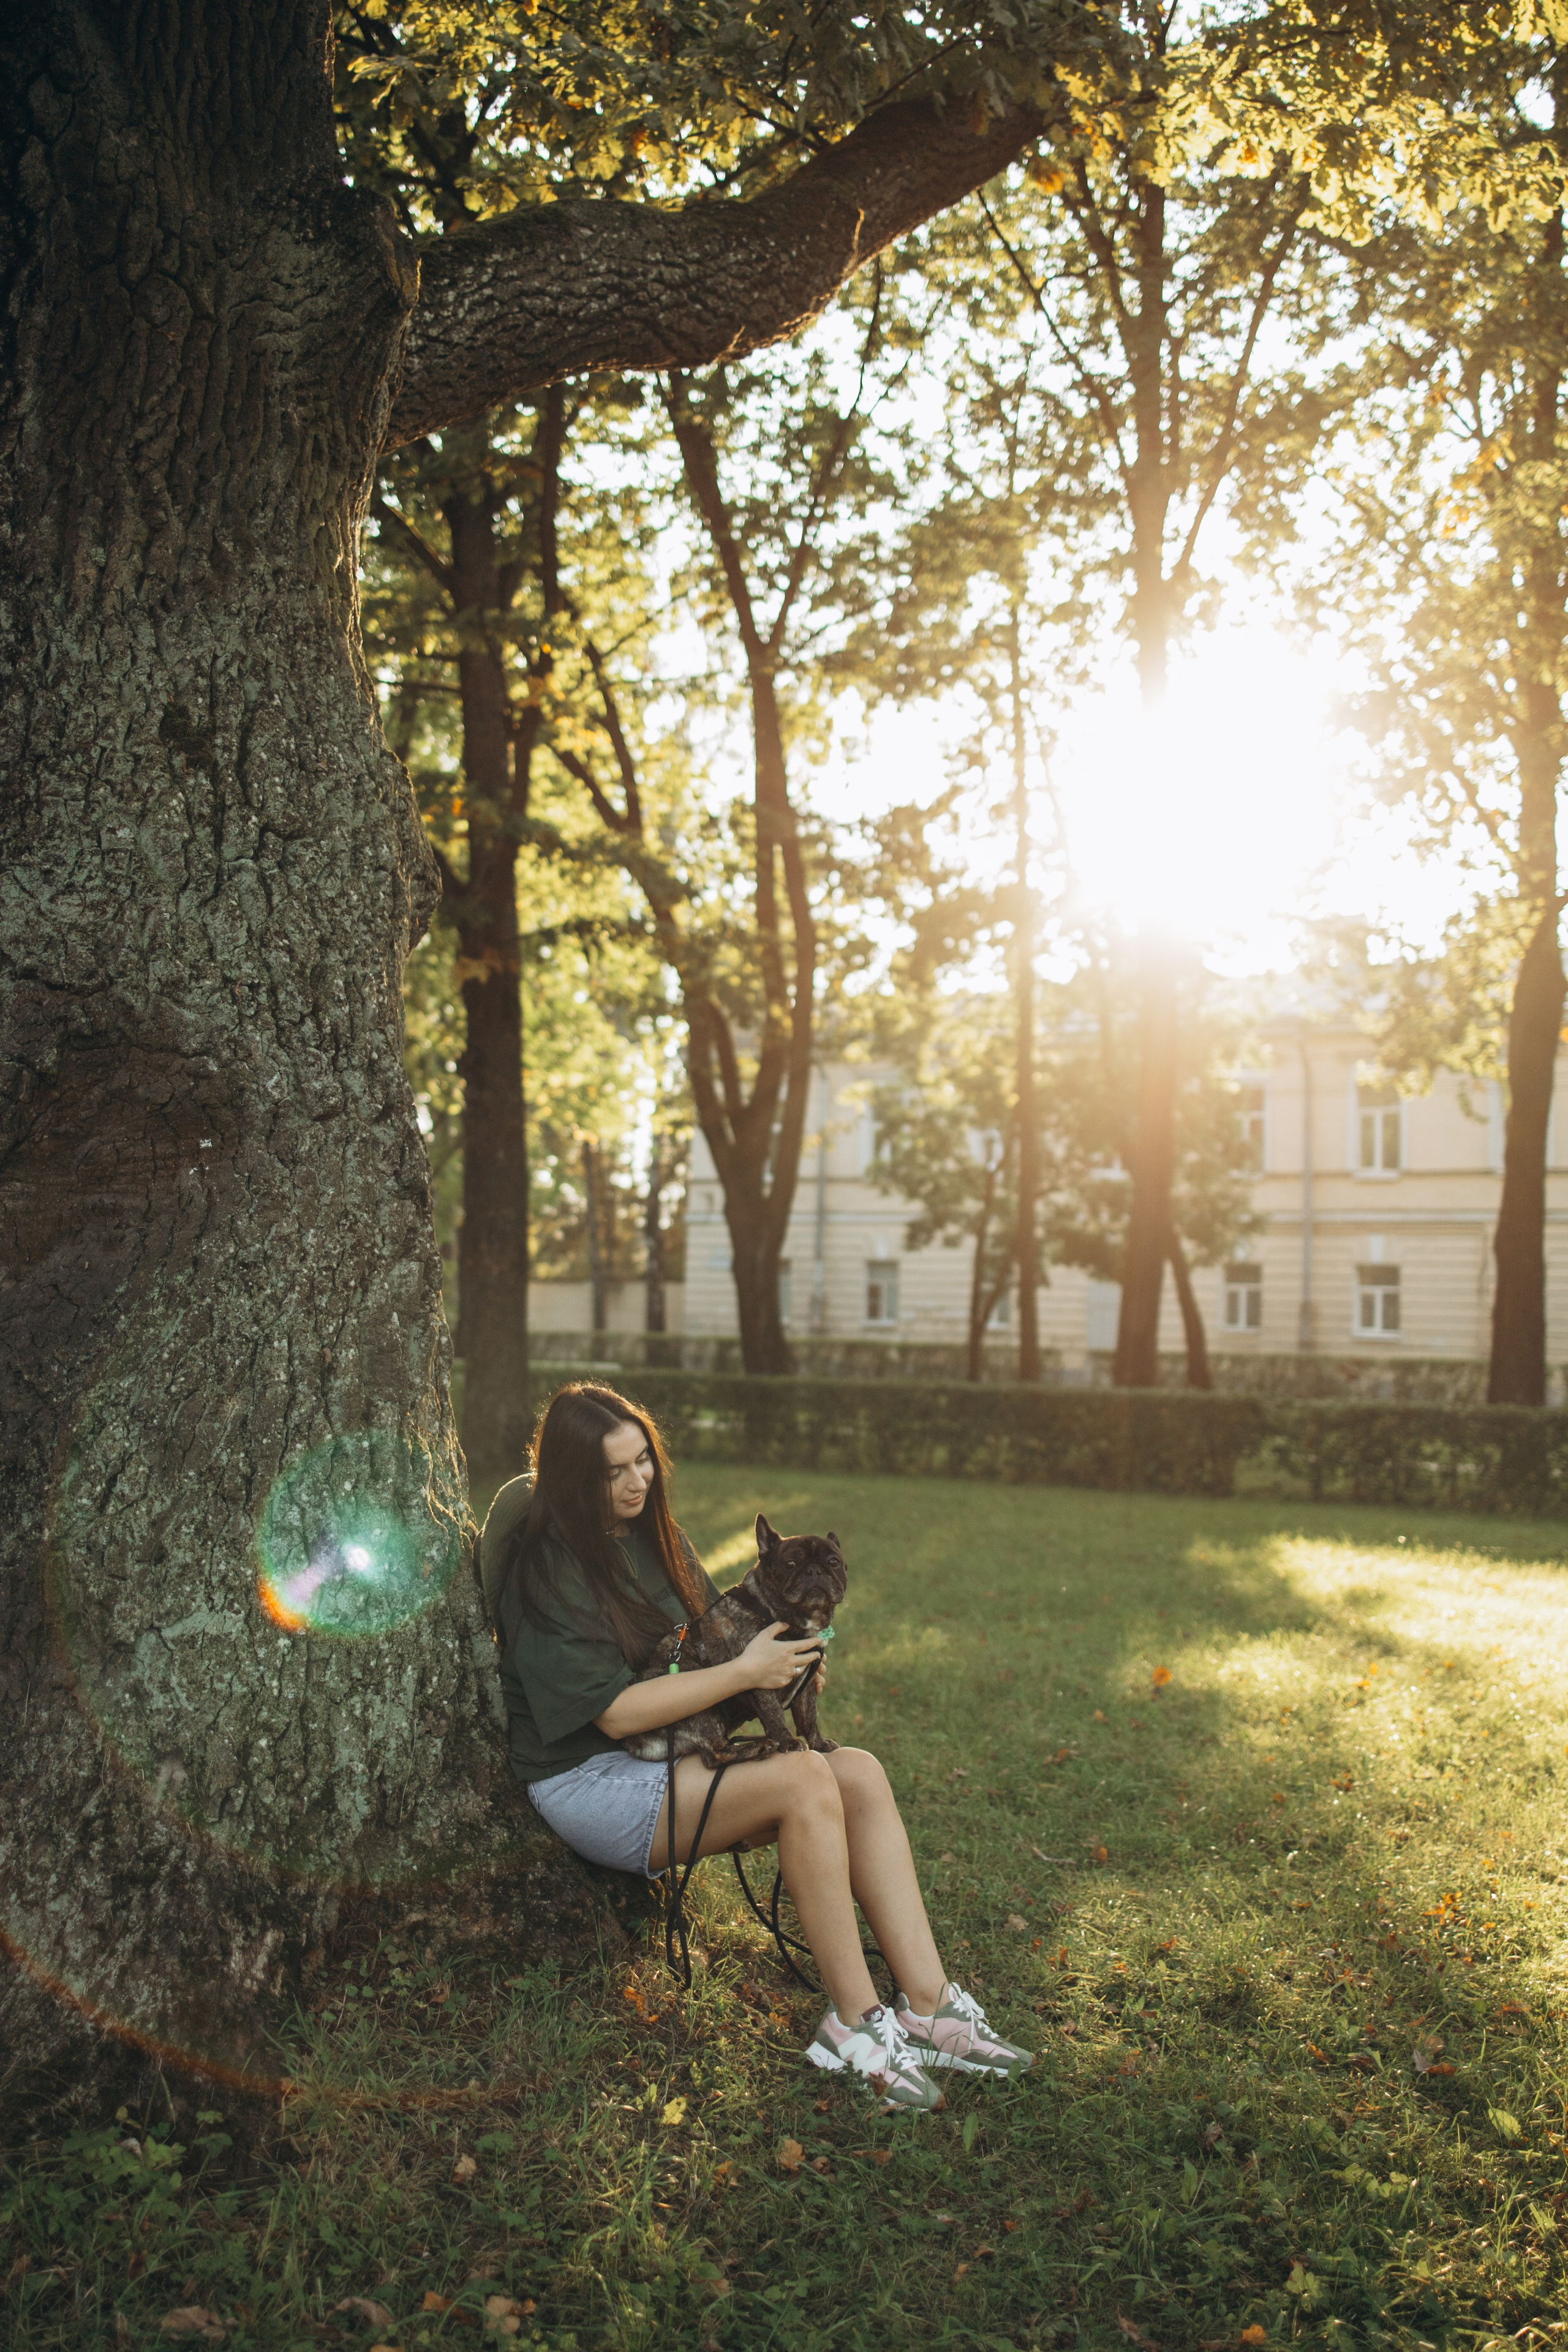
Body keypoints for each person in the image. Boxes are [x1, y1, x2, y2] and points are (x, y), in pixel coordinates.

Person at [479, 1381, 1033, 2113]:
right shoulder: (548, 1564)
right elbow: (613, 1716)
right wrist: (745, 1673)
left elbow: (714, 1650)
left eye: (643, 1460)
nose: (637, 1481)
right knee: (804, 1779)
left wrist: (785, 1662)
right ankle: (854, 2026)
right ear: (575, 1477)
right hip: (590, 1778)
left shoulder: (656, 1536)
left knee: (857, 1773)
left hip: (676, 1751)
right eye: (613, 1471)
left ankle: (928, 2006)